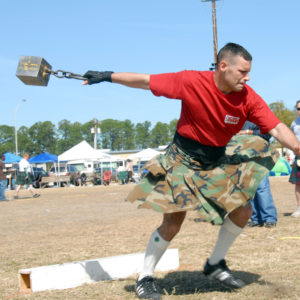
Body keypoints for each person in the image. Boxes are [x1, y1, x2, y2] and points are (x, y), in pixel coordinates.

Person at [83, 43, 300, 300]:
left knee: (244, 211)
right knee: (173, 224)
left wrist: (298, 148)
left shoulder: (248, 97)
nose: (247, 77)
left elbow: (275, 128)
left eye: (248, 72)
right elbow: (145, 81)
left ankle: (215, 263)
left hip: (216, 160)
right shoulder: (191, 81)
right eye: (242, 71)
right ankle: (145, 277)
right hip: (182, 160)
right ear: (223, 66)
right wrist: (108, 76)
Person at [238, 121, 277, 228]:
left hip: (259, 158)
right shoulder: (236, 119)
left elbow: (267, 133)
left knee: (262, 188)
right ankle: (256, 219)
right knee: (249, 190)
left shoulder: (256, 118)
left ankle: (269, 218)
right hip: (242, 158)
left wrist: (248, 132)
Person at [289, 100, 300, 217]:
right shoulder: (294, 123)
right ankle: (299, 208)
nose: (299, 111)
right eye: (298, 109)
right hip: (299, 156)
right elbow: (290, 140)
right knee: (299, 184)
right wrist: (291, 157)